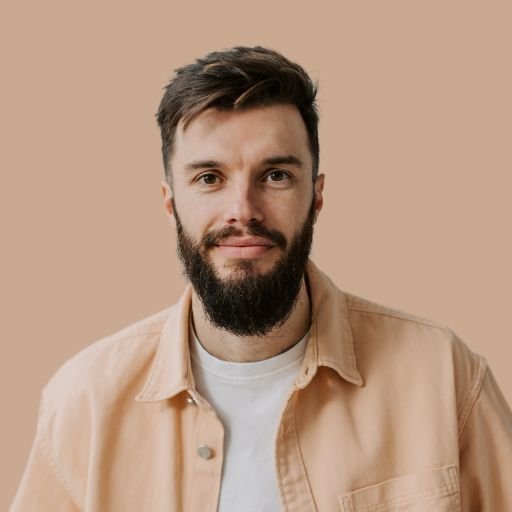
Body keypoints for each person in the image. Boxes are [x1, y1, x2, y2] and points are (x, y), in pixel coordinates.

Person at [11, 46, 512, 512]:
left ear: (317, 195)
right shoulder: (84, 402)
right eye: (209, 178)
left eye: (275, 176)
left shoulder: (444, 375)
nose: (243, 210)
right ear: (170, 203)